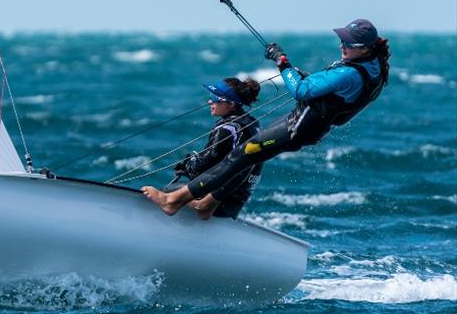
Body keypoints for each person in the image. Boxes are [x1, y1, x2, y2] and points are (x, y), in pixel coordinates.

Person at [143, 19, 390, 215]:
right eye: (342, 41)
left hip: (298, 128)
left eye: (349, 45)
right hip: (305, 124)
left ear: (366, 49)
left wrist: (282, 63)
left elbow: (301, 90)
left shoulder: (352, 74)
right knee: (249, 155)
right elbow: (328, 92)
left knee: (240, 154)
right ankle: (207, 203)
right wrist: (300, 74)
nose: (342, 47)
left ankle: (174, 200)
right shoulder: (373, 67)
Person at [163, 77, 263, 220]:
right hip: (235, 203)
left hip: (217, 202)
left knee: (168, 191)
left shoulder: (226, 129)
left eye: (214, 97)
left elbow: (203, 166)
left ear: (231, 104)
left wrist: (188, 167)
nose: (209, 101)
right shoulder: (253, 123)